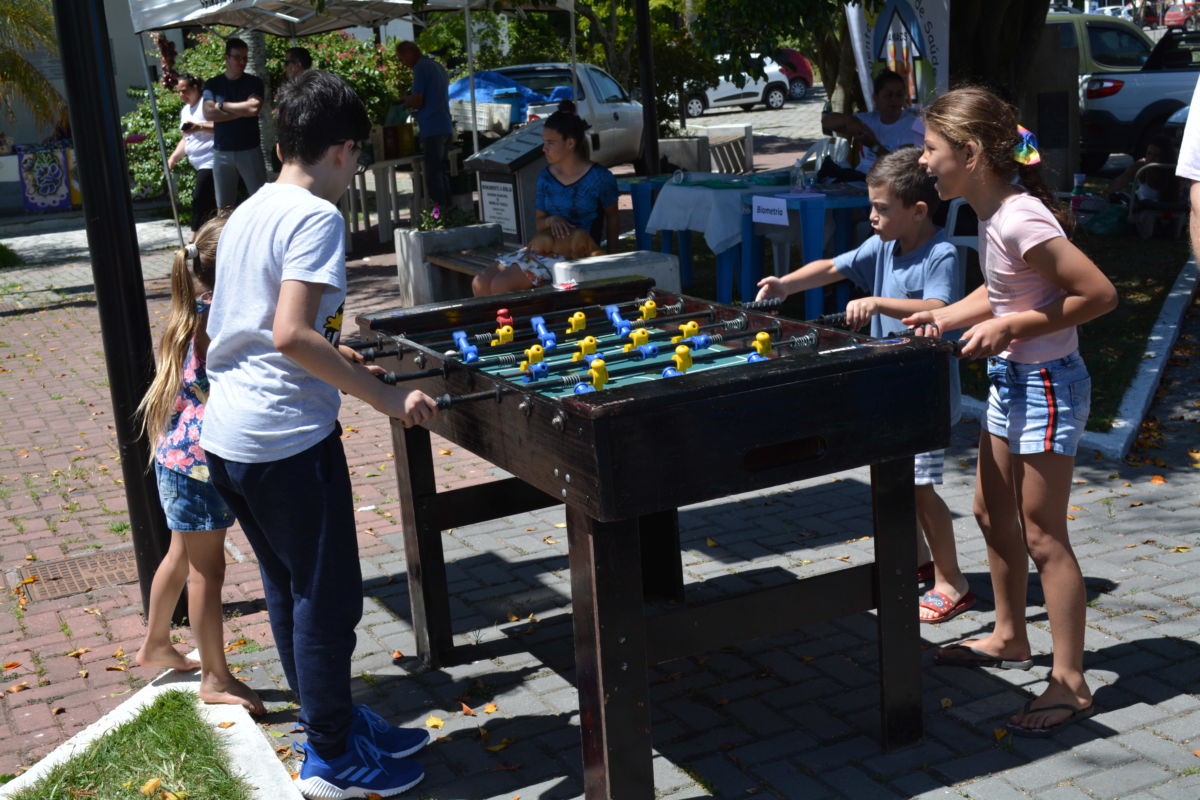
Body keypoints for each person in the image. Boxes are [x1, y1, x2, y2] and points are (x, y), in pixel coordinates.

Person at [200, 70, 439, 798]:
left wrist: (342, 358)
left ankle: (330, 721)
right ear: (341, 150)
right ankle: (331, 760)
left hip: (229, 437)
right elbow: (291, 335)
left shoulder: (249, 209)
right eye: (358, 155)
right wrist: (388, 400)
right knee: (328, 600)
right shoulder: (317, 216)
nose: (356, 168)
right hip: (284, 442)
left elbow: (261, 326)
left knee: (289, 589)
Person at [910, 87, 1117, 738]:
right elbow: (1003, 288)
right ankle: (1008, 636)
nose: (923, 161)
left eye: (932, 149)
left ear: (970, 154)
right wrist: (946, 315)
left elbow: (1099, 293)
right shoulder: (993, 213)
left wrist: (1015, 327)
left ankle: (1072, 682)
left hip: (1047, 382)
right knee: (987, 510)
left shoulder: (1021, 219)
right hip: (1014, 379)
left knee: (1042, 535)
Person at [754, 147, 972, 624]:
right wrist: (787, 284)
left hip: (923, 399)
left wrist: (876, 302)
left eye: (881, 209)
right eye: (871, 206)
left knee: (919, 489)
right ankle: (916, 563)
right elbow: (834, 266)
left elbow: (938, 305)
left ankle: (952, 581)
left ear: (917, 211)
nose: (871, 217)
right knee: (894, 484)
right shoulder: (884, 246)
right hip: (887, 394)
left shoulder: (942, 253)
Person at [132, 215, 264, 716]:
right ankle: (215, 676)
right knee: (208, 570)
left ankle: (156, 644)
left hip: (178, 457)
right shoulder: (218, 320)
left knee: (179, 556)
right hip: (198, 463)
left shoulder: (197, 310)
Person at [471, 100, 620, 296]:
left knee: (501, 285)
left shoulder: (600, 177)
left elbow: (613, 218)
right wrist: (552, 219)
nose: (544, 149)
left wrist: (613, 262)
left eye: (550, 143)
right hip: (543, 248)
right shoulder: (546, 177)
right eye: (544, 142)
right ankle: (497, 325)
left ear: (570, 143)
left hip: (575, 253)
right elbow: (540, 225)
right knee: (480, 283)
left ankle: (520, 325)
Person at [202, 37, 266, 209]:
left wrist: (222, 106)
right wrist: (241, 111)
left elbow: (253, 108)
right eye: (237, 57)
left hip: (249, 149)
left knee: (261, 202)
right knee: (224, 207)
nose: (242, 62)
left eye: (245, 58)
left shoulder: (254, 82)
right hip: (222, 152)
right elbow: (208, 113)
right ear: (226, 58)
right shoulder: (213, 84)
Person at [822, 69, 924, 174]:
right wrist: (850, 120)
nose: (894, 100)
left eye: (899, 95)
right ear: (876, 98)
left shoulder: (914, 125)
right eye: (888, 95)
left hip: (891, 181)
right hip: (861, 178)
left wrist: (873, 145)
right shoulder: (869, 119)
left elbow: (901, 166)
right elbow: (826, 121)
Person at [396, 41, 453, 209]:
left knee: (433, 177)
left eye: (401, 59)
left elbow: (418, 101)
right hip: (444, 125)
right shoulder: (437, 65)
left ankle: (440, 216)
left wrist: (405, 100)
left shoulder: (420, 68)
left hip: (432, 127)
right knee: (441, 173)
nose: (402, 63)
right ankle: (448, 213)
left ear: (409, 53)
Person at [168, 74, 216, 232]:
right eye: (179, 92)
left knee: (199, 200)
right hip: (198, 162)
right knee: (208, 204)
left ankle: (194, 238)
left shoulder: (206, 105)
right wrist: (173, 158)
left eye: (185, 91)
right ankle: (207, 237)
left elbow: (221, 126)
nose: (182, 95)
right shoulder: (185, 111)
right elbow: (186, 139)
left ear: (196, 88)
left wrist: (200, 126)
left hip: (211, 160)